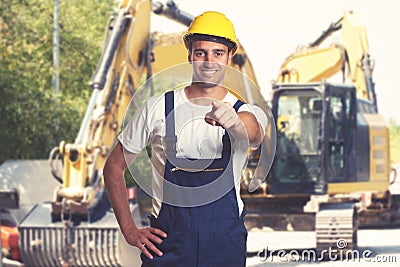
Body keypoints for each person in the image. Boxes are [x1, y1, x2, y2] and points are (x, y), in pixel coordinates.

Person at [103, 11, 268, 267]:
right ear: (189, 54)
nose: (209, 61)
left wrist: (232, 120)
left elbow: (254, 132)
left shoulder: (245, 110)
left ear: (229, 57)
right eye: (201, 52)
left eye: (218, 53)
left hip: (224, 245)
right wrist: (129, 229)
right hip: (167, 246)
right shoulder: (156, 108)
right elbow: (113, 168)